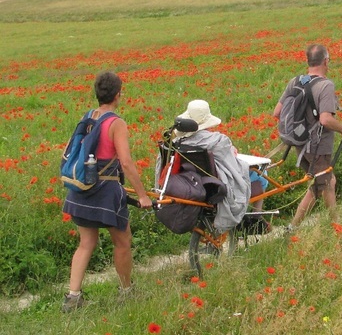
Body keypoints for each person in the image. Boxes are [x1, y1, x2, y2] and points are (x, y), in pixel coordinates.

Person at [62, 71, 152, 312]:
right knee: (122, 241)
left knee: (86, 243)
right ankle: (126, 291)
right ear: (118, 94)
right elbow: (125, 163)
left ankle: (73, 297)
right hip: (106, 190)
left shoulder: (88, 117)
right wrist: (142, 195)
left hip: (82, 188)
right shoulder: (116, 123)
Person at [273, 44, 342, 229]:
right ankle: (336, 227)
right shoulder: (325, 85)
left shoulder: (295, 81)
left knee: (324, 183)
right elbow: (325, 120)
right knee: (324, 184)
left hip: (300, 144)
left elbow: (277, 112)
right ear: (326, 61)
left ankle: (295, 226)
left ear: (308, 61)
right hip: (318, 146)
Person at [171, 100, 251, 232]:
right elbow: (232, 164)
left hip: (190, 182)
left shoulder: (178, 142)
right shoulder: (217, 141)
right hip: (214, 184)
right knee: (257, 175)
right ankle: (254, 216)